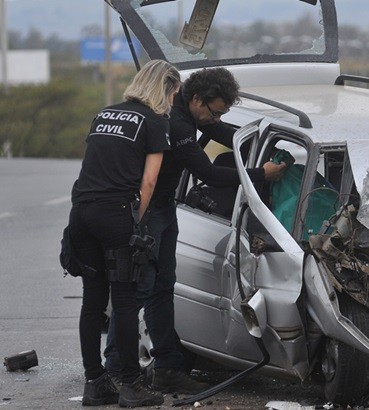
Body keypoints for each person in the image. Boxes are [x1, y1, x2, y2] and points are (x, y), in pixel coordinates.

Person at [104, 67, 286, 394]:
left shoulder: (191, 113)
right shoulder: (176, 123)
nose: (214, 119)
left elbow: (222, 132)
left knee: (162, 288)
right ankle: (116, 370)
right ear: (197, 99)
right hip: (146, 213)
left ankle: (168, 368)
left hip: (164, 211)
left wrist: (257, 140)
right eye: (213, 112)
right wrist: (261, 173)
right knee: (137, 290)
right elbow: (209, 173)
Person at [66, 59, 181, 407]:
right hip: (116, 215)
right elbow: (148, 182)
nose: (174, 101)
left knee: (92, 301)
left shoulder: (104, 114)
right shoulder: (156, 121)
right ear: (164, 89)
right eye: (173, 93)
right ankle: (131, 385)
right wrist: (137, 225)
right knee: (126, 300)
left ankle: (94, 382)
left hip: (82, 214)